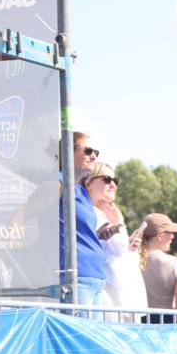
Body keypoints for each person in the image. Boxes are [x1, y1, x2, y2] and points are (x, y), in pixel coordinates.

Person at [84, 162, 148, 320]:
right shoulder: (91, 213)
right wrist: (119, 223)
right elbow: (117, 250)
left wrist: (130, 248)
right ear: (89, 183)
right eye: (106, 179)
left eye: (115, 180)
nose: (112, 184)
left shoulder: (107, 214)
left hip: (121, 297)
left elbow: (120, 252)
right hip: (108, 294)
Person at [59, 131, 106, 311]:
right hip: (76, 277)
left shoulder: (81, 191)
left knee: (91, 338)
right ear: (68, 152)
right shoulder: (58, 183)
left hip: (95, 277)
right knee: (80, 338)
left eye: (95, 152)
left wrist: (98, 235)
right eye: (87, 151)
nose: (93, 156)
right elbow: (26, 213)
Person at [139, 213, 177, 323]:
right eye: (170, 232)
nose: (173, 237)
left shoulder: (132, 261)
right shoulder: (175, 264)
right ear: (160, 235)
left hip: (138, 327)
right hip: (166, 328)